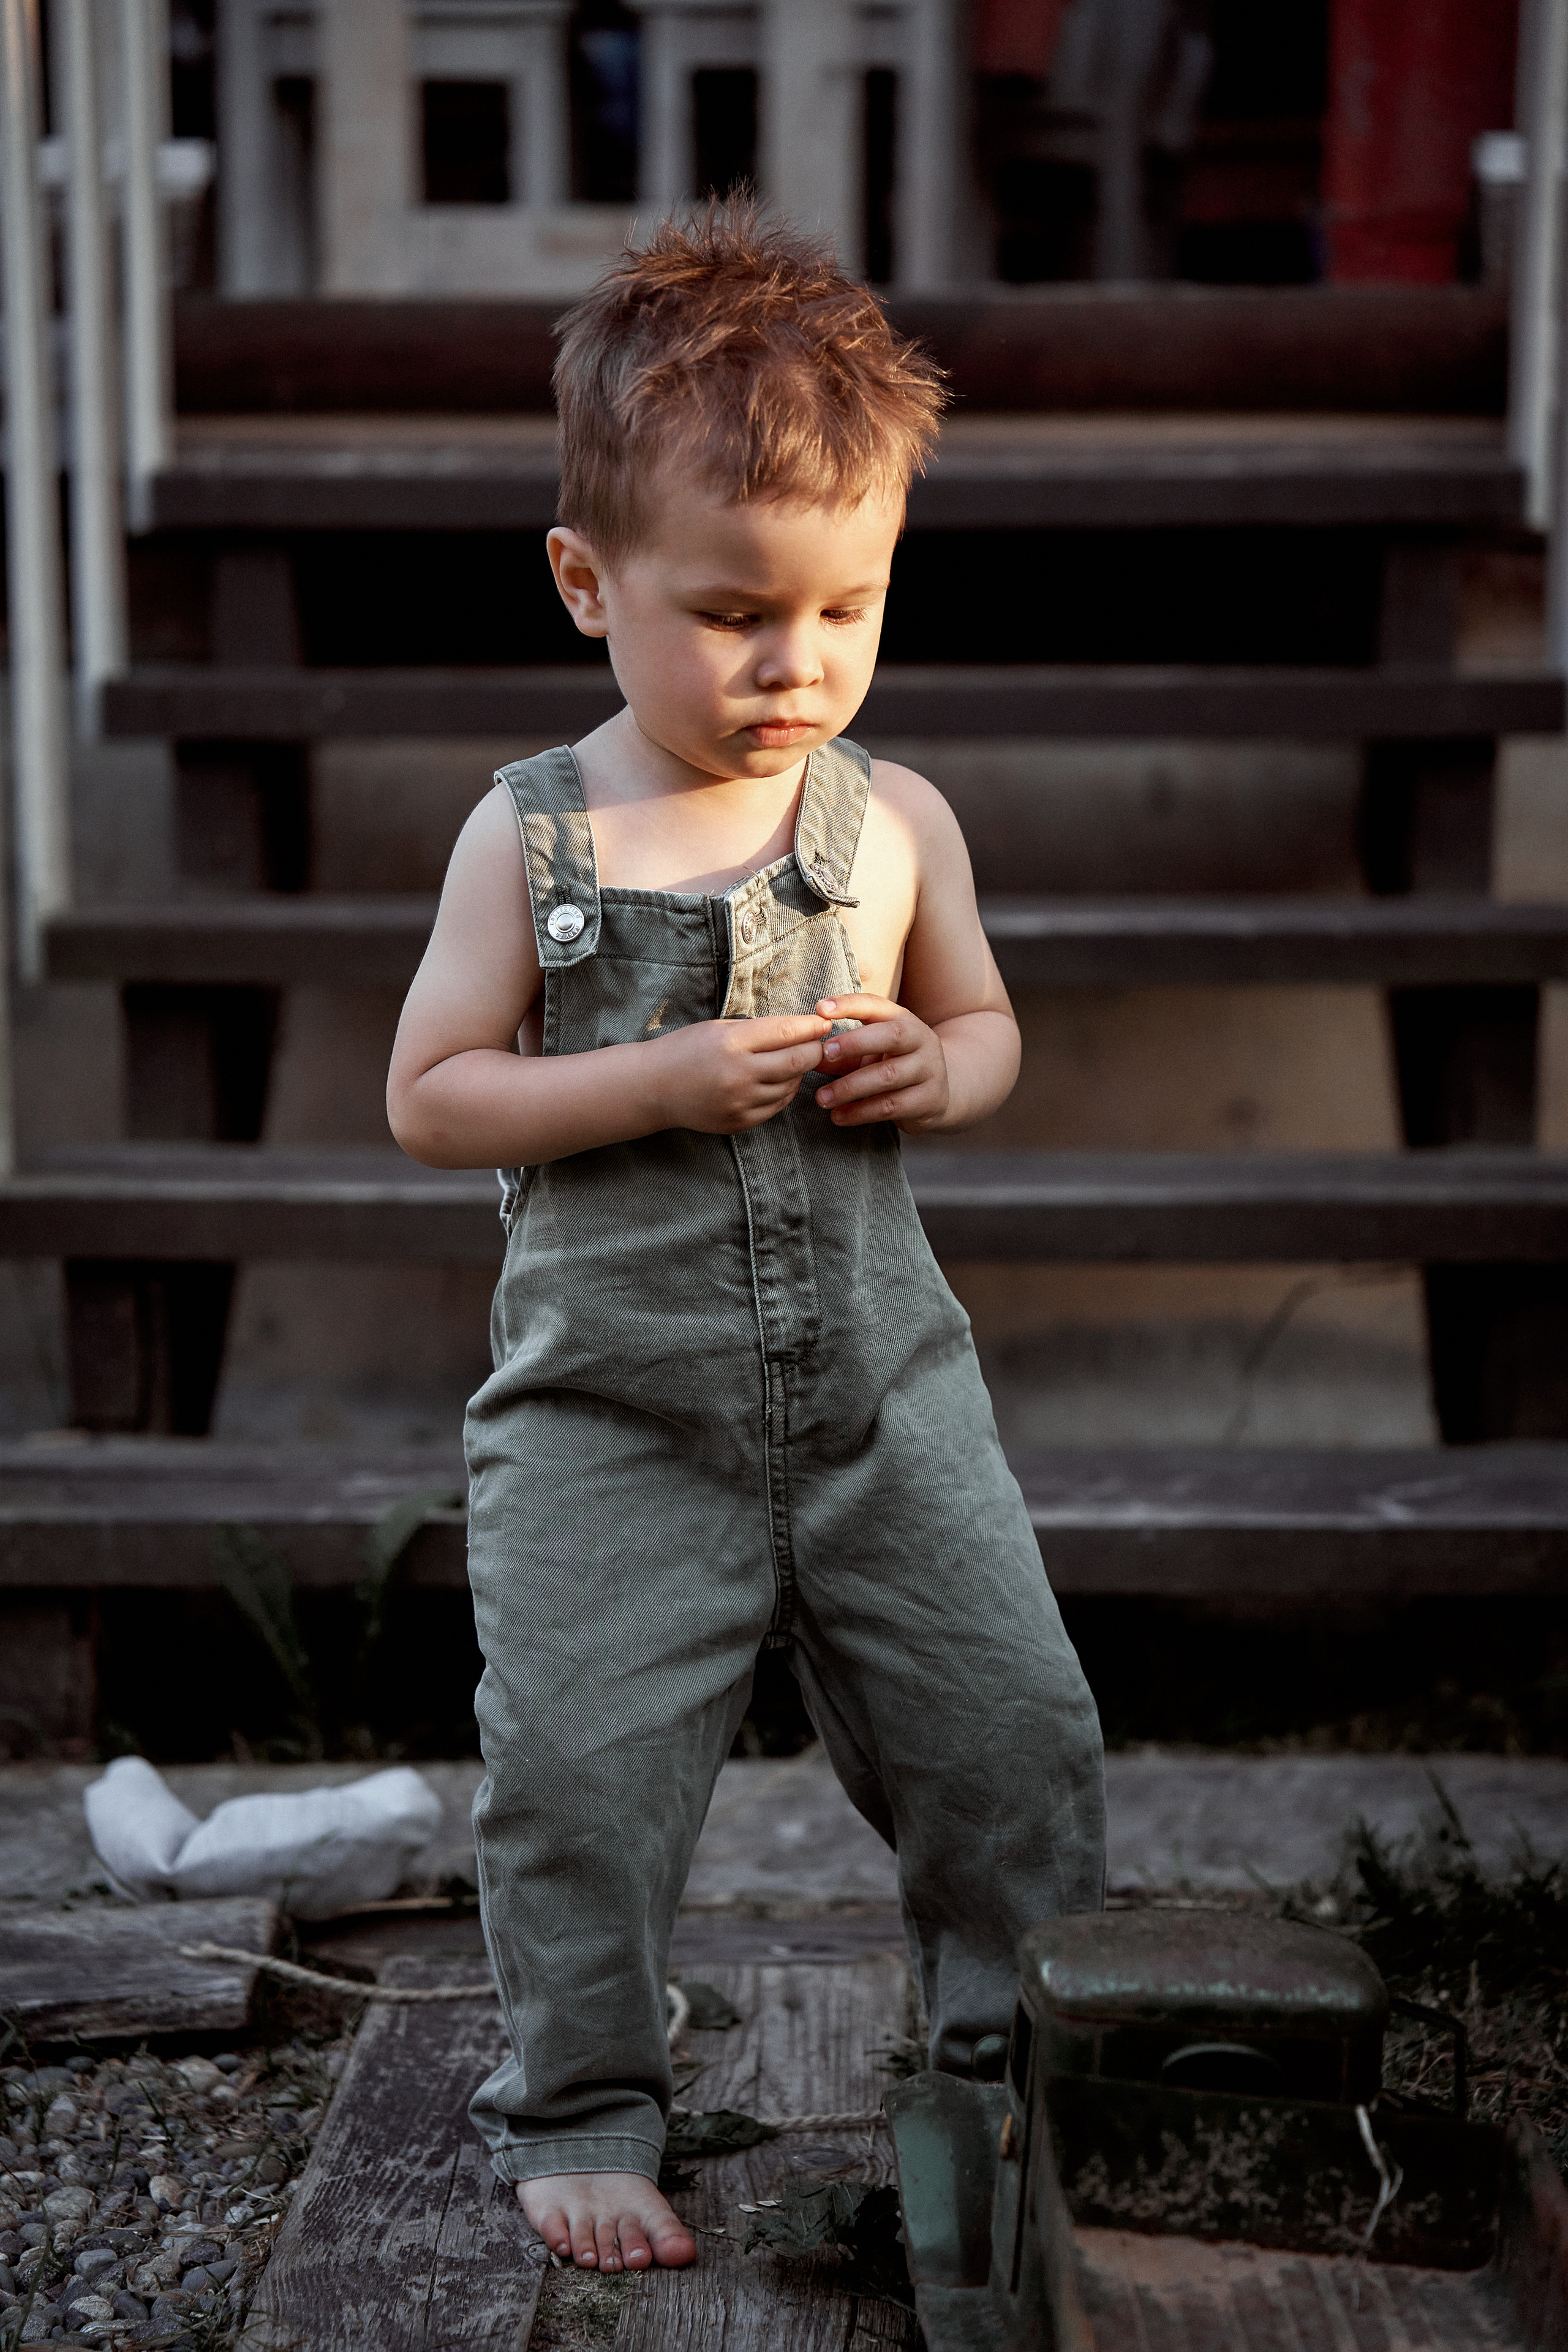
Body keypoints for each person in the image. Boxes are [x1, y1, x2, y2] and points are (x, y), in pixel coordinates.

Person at [386, 205, 1105, 2280]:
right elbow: (433, 1097)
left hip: (887, 1403)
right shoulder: (536, 838)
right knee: (579, 1776)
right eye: (735, 616)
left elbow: (989, 1028)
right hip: (615, 1420)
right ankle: (590, 2103)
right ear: (586, 584)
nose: (797, 666)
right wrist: (649, 1080)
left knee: (1010, 1739)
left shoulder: (898, 826)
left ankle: (1003, 2072)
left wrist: (931, 1069)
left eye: (847, 609)